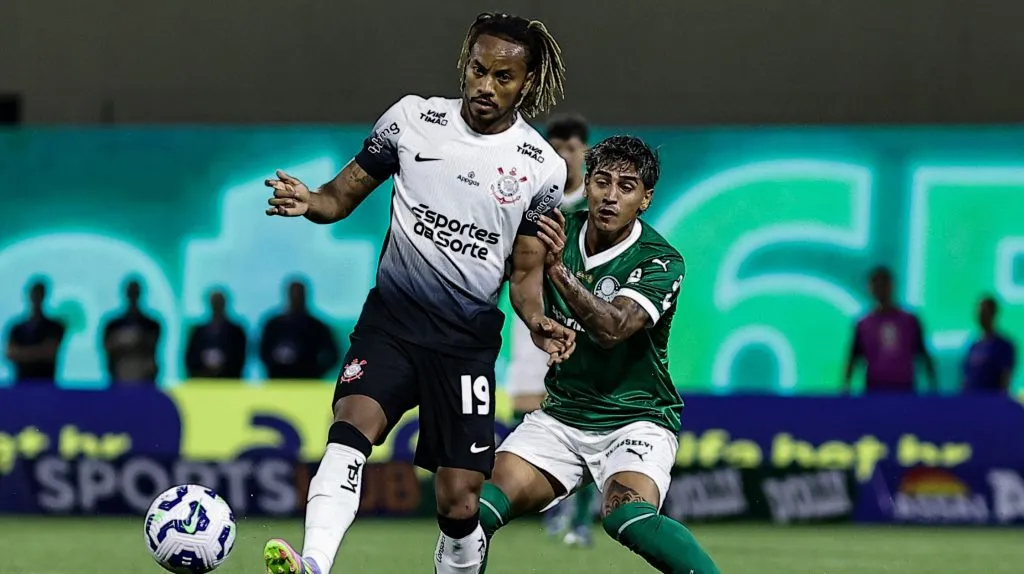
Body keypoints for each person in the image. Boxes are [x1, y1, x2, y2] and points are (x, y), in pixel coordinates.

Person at [260, 13, 575, 574]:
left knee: (459, 504)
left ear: (525, 84)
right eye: (478, 69)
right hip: (391, 327)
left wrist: (537, 322)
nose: (485, 86)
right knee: (351, 427)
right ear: (465, 63)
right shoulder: (412, 120)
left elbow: (524, 277)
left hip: (465, 346)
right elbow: (339, 196)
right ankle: (314, 564)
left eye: (503, 77)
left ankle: (459, 558)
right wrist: (309, 201)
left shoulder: (541, 169)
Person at [478, 136, 721, 574]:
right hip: (563, 416)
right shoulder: (554, 229)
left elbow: (613, 328)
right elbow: (523, 281)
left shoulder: (661, 260)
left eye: (626, 187)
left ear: (645, 199)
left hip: (637, 416)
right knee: (471, 511)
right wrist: (539, 324)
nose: (611, 196)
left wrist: (560, 272)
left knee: (625, 516)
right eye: (602, 182)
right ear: (586, 184)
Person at [505, 113, 595, 542]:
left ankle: (580, 519)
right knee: (530, 410)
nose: (562, 156)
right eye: (555, 148)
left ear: (584, 152)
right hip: (534, 316)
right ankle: (552, 505)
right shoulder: (538, 199)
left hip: (578, 318)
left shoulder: (595, 201)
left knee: (583, 413)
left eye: (571, 149)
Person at [843, 266, 937, 393]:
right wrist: (845, 388)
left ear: (891, 286)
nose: (880, 288)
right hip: (874, 390)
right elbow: (853, 358)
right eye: (875, 284)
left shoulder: (910, 321)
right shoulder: (863, 324)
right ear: (869, 288)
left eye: (884, 283)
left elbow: (923, 354)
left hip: (905, 390)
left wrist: (933, 386)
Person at [258, 280, 338, 380]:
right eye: (293, 293)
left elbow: (332, 356)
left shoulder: (317, 327)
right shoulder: (273, 325)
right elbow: (262, 352)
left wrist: (316, 372)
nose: (296, 297)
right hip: (277, 382)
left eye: (299, 293)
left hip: (307, 382)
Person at [4, 279, 66, 384]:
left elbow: (49, 352)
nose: (36, 298)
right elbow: (10, 354)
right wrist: (39, 351)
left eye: (39, 294)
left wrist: (22, 353)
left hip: (46, 385)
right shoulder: (16, 328)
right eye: (34, 294)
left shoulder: (54, 327)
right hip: (21, 384)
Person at [102, 278, 161, 385]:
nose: (133, 295)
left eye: (135, 292)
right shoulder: (112, 325)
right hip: (118, 382)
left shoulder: (152, 325)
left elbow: (152, 343)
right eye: (131, 292)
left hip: (145, 382)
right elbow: (107, 347)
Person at [184, 289, 248, 379]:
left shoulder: (236, 331)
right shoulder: (198, 331)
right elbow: (190, 357)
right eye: (214, 302)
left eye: (219, 302)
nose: (216, 305)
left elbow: (240, 357)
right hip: (202, 380)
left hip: (229, 381)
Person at [962, 295, 1016, 393]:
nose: (981, 316)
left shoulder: (1004, 346)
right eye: (979, 312)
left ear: (993, 314)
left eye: (984, 312)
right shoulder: (974, 345)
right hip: (971, 401)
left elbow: (1005, 378)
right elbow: (966, 377)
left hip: (991, 401)